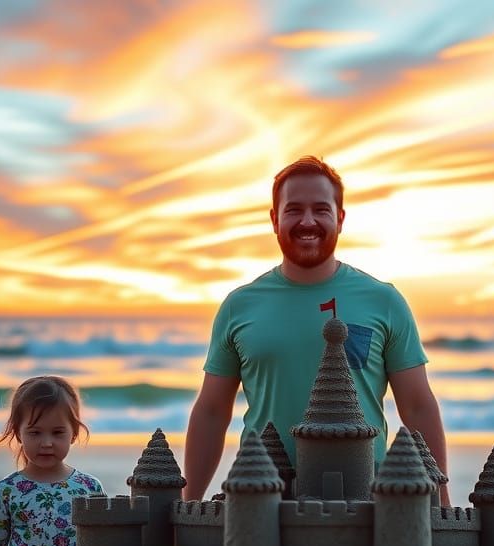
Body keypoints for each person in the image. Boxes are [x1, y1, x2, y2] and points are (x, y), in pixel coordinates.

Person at [184, 155, 449, 504]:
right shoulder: (239, 306)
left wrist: (442, 505)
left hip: (368, 499)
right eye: (293, 209)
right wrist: (188, 504)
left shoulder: (383, 301)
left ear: (339, 219)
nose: (307, 221)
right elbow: (212, 411)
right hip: (263, 493)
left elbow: (416, 406)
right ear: (274, 219)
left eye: (321, 209)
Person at [0, 375, 104, 546]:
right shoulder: (7, 490)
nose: (46, 442)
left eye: (57, 433)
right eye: (35, 433)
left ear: (74, 433)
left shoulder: (89, 488)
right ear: (18, 433)